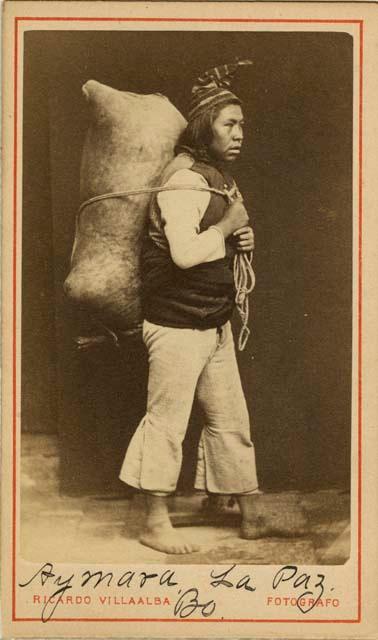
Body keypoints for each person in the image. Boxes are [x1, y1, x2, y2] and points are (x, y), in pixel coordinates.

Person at [119, 61, 260, 554]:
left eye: (241, 124)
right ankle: (154, 521)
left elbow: (213, 238)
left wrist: (237, 234)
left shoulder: (215, 177)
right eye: (230, 124)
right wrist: (226, 230)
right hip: (177, 324)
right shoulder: (183, 181)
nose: (240, 133)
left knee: (229, 417)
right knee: (167, 421)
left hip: (212, 319)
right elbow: (183, 254)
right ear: (205, 129)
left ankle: (244, 507)